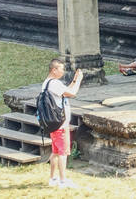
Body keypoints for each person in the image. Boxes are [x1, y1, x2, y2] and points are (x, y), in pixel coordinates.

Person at [42, 58, 82, 188]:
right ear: (54, 70)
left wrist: (74, 80)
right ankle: (63, 181)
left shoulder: (47, 83)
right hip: (60, 123)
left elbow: (65, 92)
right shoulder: (54, 83)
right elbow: (72, 93)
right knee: (63, 153)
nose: (63, 71)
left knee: (55, 151)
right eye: (61, 69)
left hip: (52, 123)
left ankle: (53, 178)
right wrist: (79, 80)